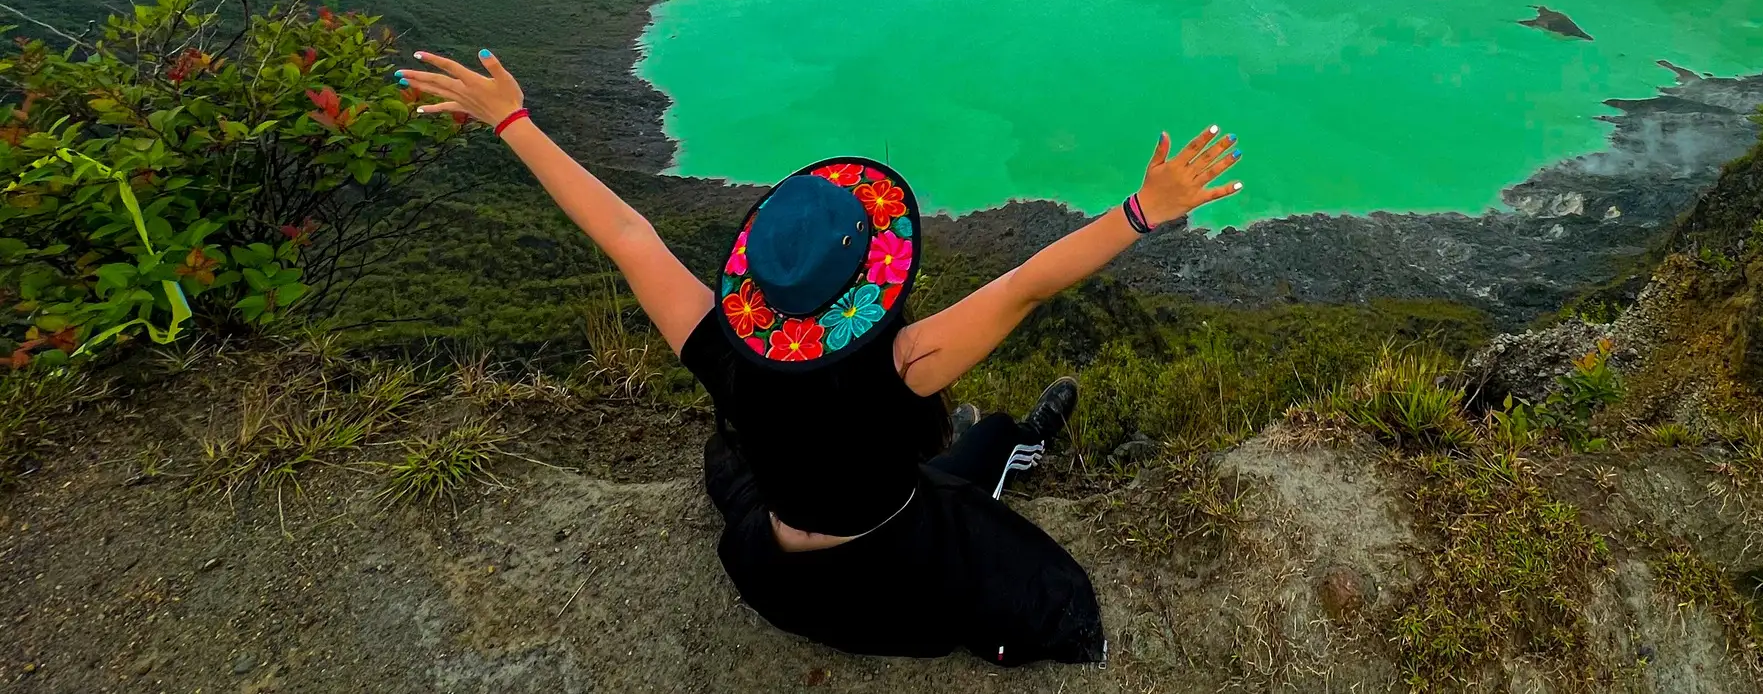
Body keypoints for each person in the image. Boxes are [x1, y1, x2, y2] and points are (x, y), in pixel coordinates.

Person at [396, 47, 1244, 667]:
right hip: (890, 559)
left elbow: (626, 233)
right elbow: (1027, 285)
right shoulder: (906, 362)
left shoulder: (722, 351)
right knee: (1002, 506)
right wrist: (1144, 210)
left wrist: (511, 121)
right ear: (870, 286)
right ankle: (1018, 443)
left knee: (739, 458)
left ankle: (996, 447)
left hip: (778, 565)